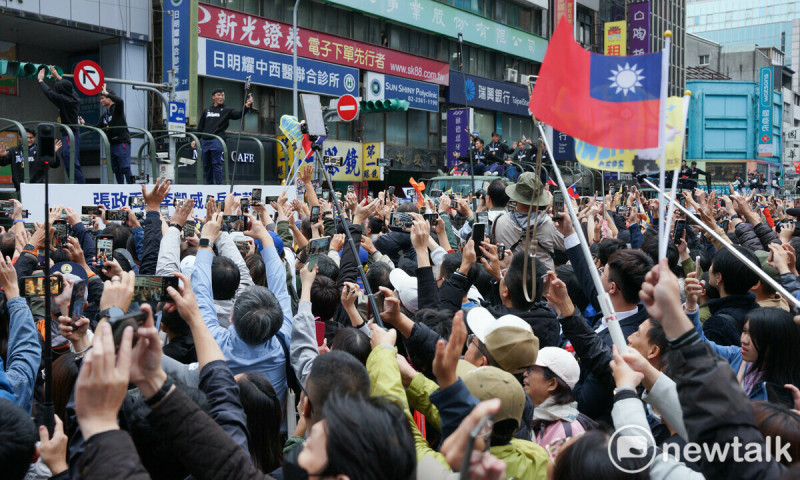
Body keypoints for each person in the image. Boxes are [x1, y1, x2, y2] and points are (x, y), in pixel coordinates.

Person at [493, 172, 564, 271]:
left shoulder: (499, 221)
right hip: (544, 281)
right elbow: (567, 244)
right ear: (539, 198)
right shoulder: (551, 223)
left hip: (511, 279)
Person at [37, 65, 84, 183]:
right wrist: (58, 77)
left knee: (70, 158)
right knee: (68, 157)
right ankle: (75, 182)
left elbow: (49, 93)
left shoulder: (65, 100)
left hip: (70, 134)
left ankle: (78, 184)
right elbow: (69, 88)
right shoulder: (74, 96)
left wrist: (40, 80)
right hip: (71, 134)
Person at [197, 88, 253, 185]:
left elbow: (238, 115)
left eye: (222, 95)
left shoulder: (227, 110)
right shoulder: (207, 110)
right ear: (213, 97)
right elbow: (201, 126)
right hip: (205, 141)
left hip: (217, 140)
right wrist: (195, 139)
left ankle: (218, 186)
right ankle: (208, 186)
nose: (221, 97)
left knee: (216, 163)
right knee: (206, 165)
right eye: (218, 95)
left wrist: (247, 106)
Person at [93, 84, 132, 184]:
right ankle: (120, 189)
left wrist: (107, 93)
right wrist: (84, 124)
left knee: (125, 167)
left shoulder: (117, 109)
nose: (101, 100)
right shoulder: (105, 114)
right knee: (116, 170)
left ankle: (131, 188)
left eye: (103, 98)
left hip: (121, 142)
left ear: (109, 98)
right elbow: (98, 127)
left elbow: (120, 101)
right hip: (112, 144)